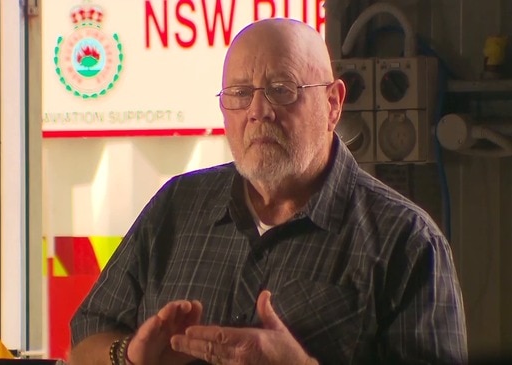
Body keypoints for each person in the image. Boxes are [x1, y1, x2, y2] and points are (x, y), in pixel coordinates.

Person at [68, 18, 468, 365]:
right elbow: (87, 335)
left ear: (333, 103)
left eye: (282, 88)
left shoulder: (407, 242)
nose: (258, 110)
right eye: (240, 94)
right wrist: (130, 355)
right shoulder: (176, 206)